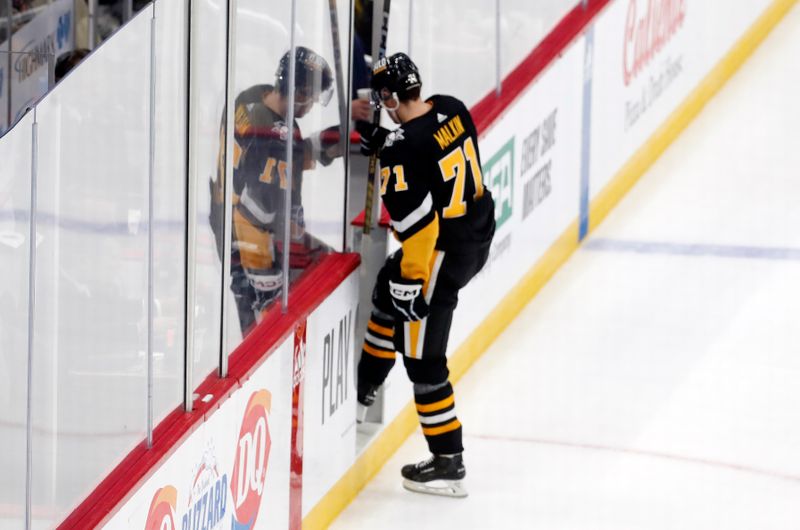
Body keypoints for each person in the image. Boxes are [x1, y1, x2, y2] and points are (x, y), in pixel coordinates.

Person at [355, 53, 495, 497]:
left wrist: (412, 280)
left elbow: (418, 226)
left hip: (437, 257)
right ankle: (365, 388)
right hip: (475, 235)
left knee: (424, 361)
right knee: (383, 292)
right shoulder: (451, 106)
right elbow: (429, 150)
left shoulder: (402, 146)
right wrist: (387, 140)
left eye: (384, 98)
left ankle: (449, 462)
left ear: (392, 95)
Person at [210, 46, 339, 335]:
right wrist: (268, 280)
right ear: (301, 92)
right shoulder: (274, 138)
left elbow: (286, 159)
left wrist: (338, 137)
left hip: (225, 216)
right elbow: (261, 212)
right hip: (247, 242)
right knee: (261, 327)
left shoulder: (252, 97)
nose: (312, 106)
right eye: (313, 98)